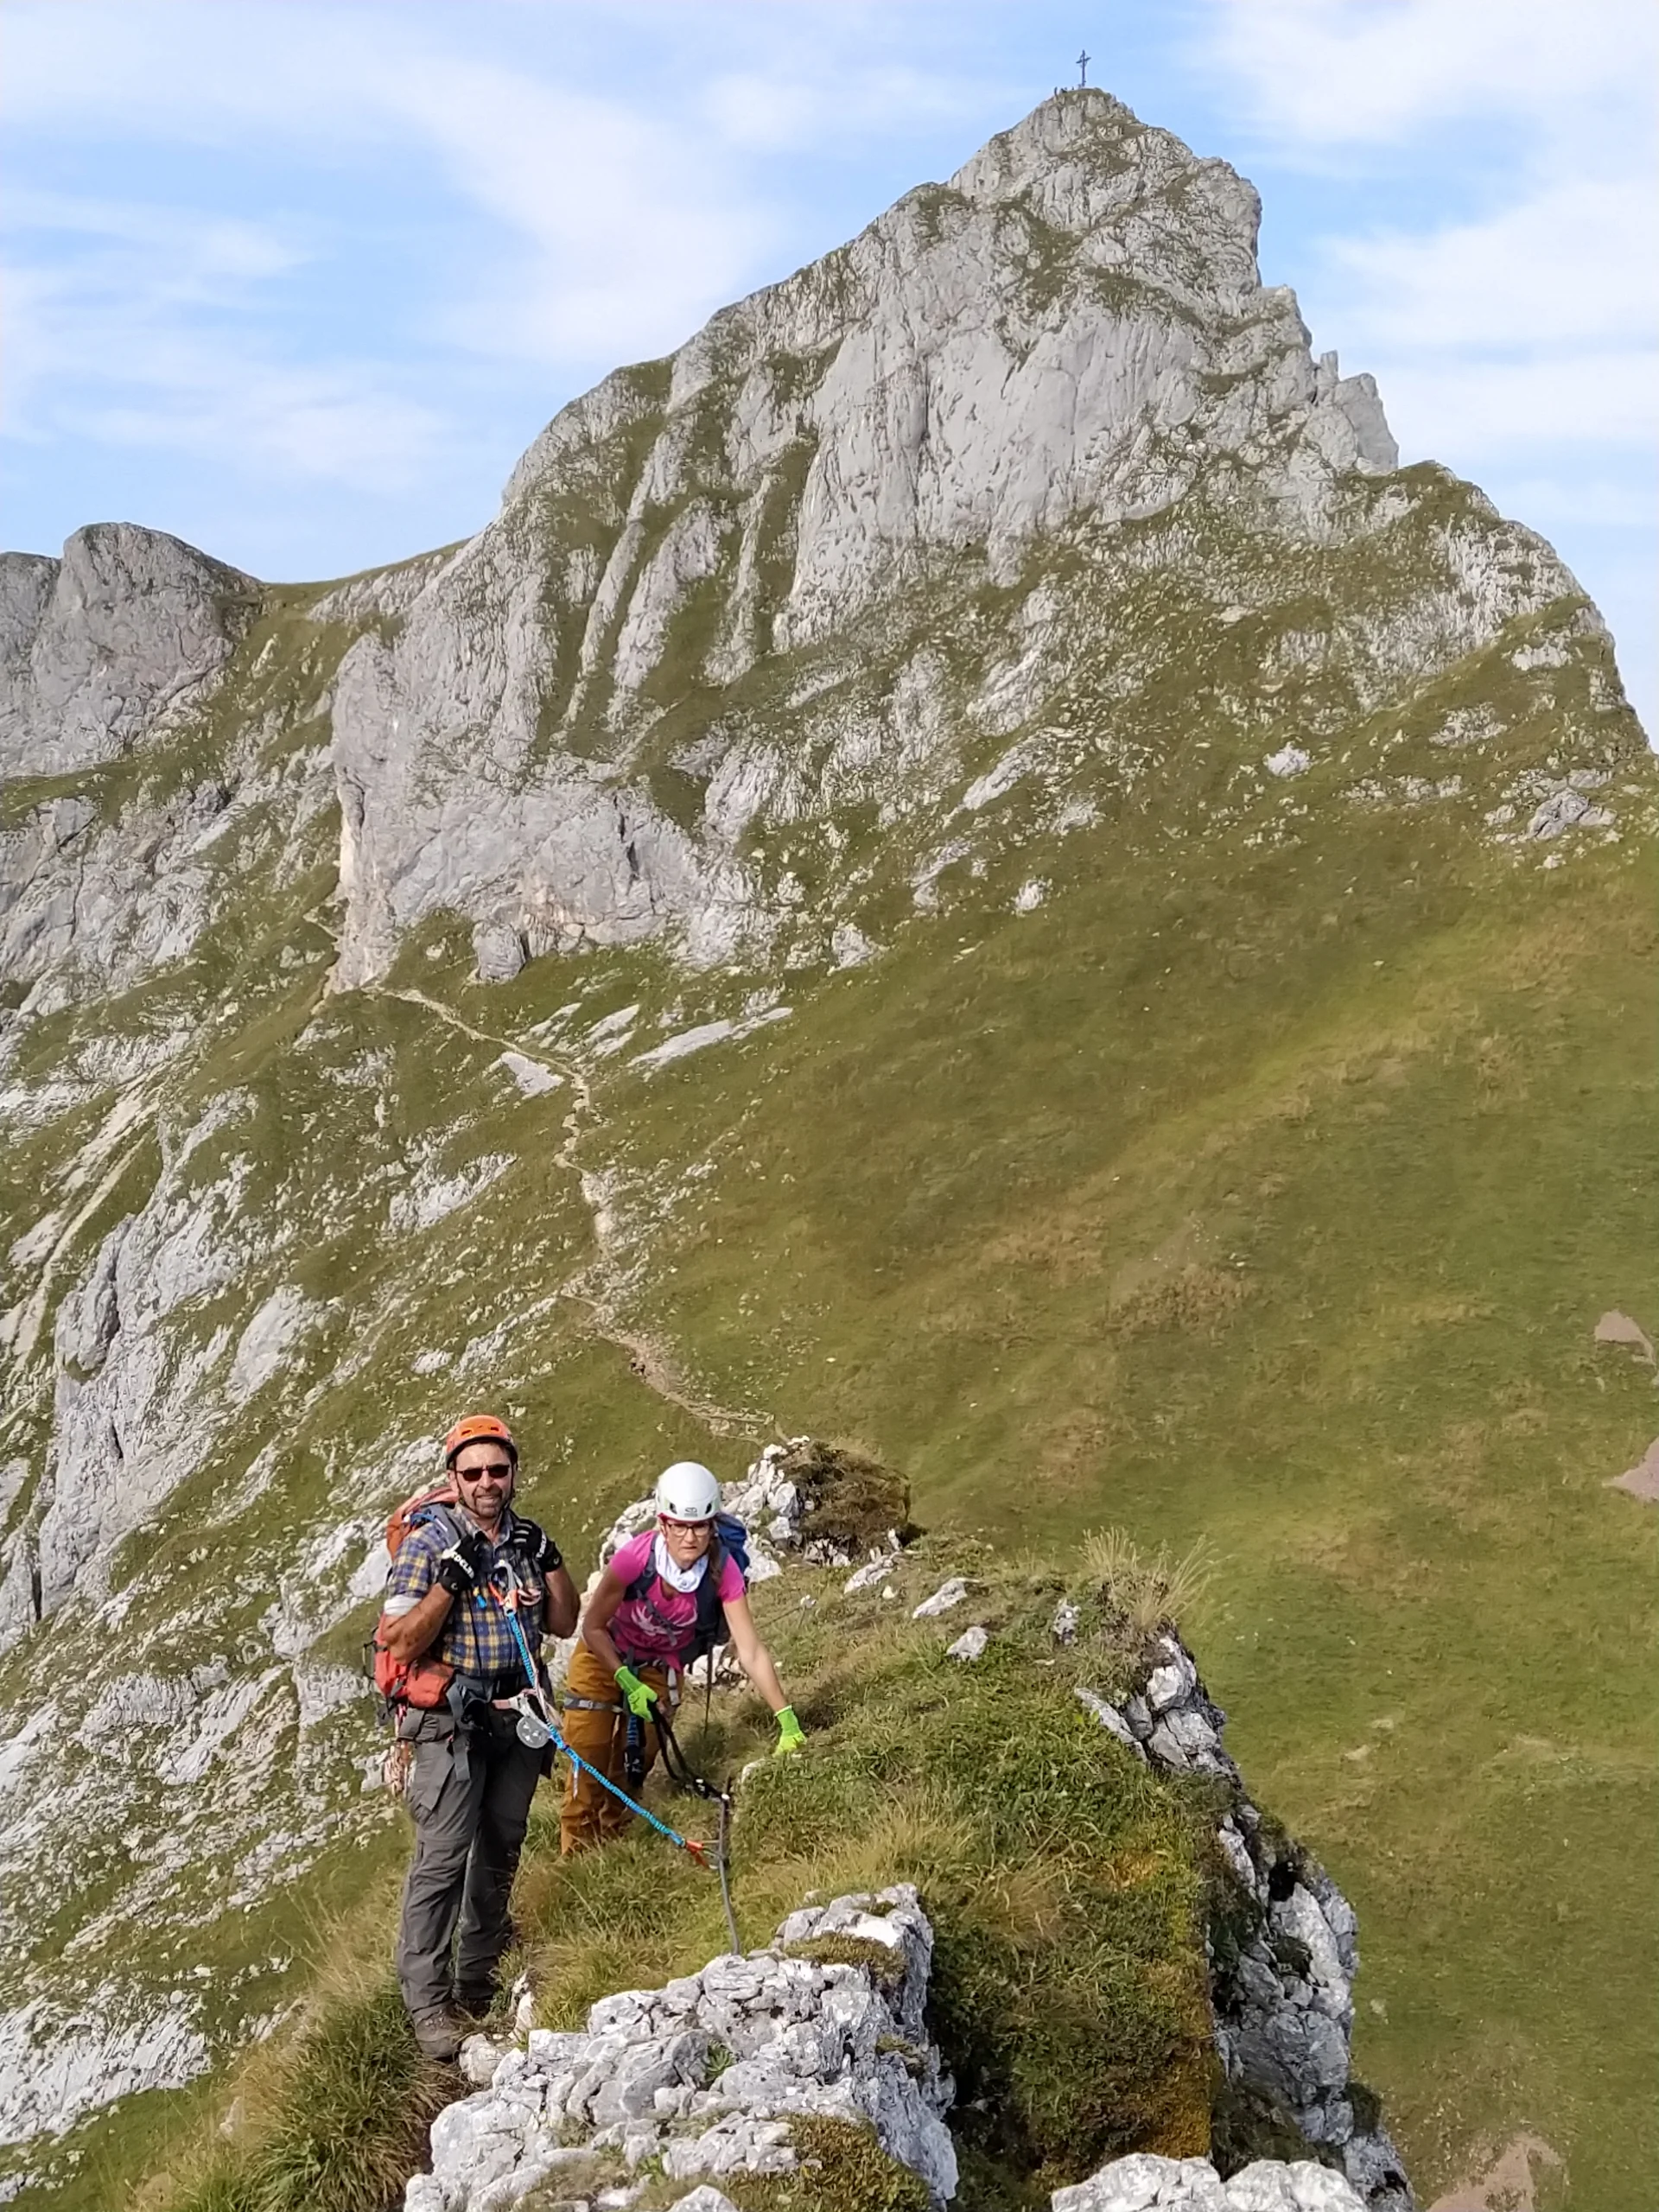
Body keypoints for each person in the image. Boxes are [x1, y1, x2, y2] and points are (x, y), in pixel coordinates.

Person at [378, 1413, 578, 2059]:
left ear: (513, 1471)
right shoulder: (430, 1543)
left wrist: (550, 1563)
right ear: (453, 1479)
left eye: (498, 1469)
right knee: (442, 1858)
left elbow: (566, 1621)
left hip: (517, 1715)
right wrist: (449, 1582)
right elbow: (400, 1640)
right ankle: (428, 2004)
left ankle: (479, 1973)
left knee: (502, 1843)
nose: (487, 1482)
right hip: (449, 1724)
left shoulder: (526, 1538)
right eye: (473, 1472)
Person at [561, 1459, 804, 1856]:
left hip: (659, 1666)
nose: (690, 1537)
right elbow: (593, 1627)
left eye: (700, 1526)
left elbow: (751, 1650)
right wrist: (623, 1678)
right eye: (679, 1525)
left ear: (712, 1525)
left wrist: (786, 1718)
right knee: (586, 1758)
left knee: (633, 1765)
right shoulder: (633, 1561)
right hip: (603, 1656)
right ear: (662, 1523)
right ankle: (573, 1858)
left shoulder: (722, 1572)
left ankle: (614, 1849)